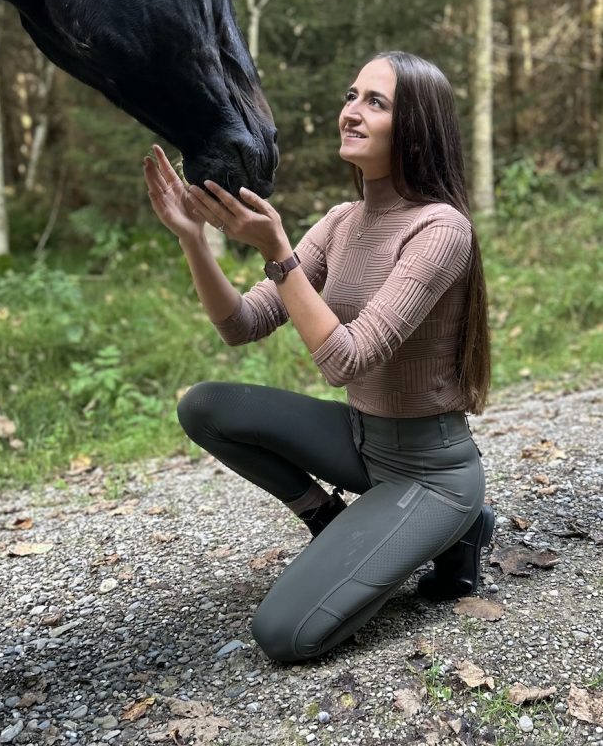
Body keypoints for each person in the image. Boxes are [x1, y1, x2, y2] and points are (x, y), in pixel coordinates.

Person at [142, 50, 494, 663]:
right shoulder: (339, 222)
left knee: (284, 634)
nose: (351, 113)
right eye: (351, 96)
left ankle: (459, 524)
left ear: (416, 129)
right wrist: (193, 240)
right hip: (362, 442)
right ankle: (327, 517)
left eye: (375, 103)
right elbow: (242, 324)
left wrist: (279, 253)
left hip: (430, 471)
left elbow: (345, 360)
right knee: (207, 406)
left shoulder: (441, 230)